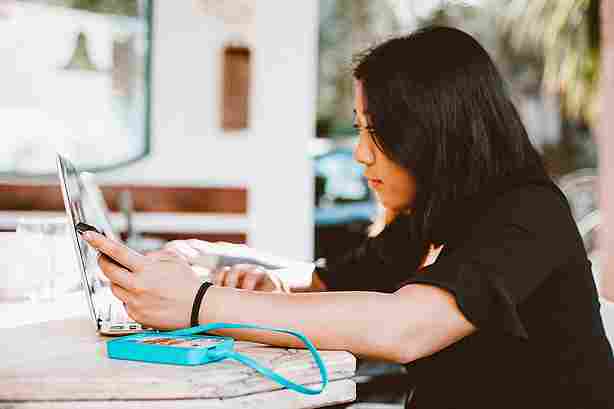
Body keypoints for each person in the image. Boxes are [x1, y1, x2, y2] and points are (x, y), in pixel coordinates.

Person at [83, 27, 613, 408]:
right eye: (359, 130)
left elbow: (404, 326)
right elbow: (324, 281)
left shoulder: (528, 213)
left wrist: (197, 303)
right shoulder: (431, 218)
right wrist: (265, 285)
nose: (361, 155)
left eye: (375, 132)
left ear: (434, 132)